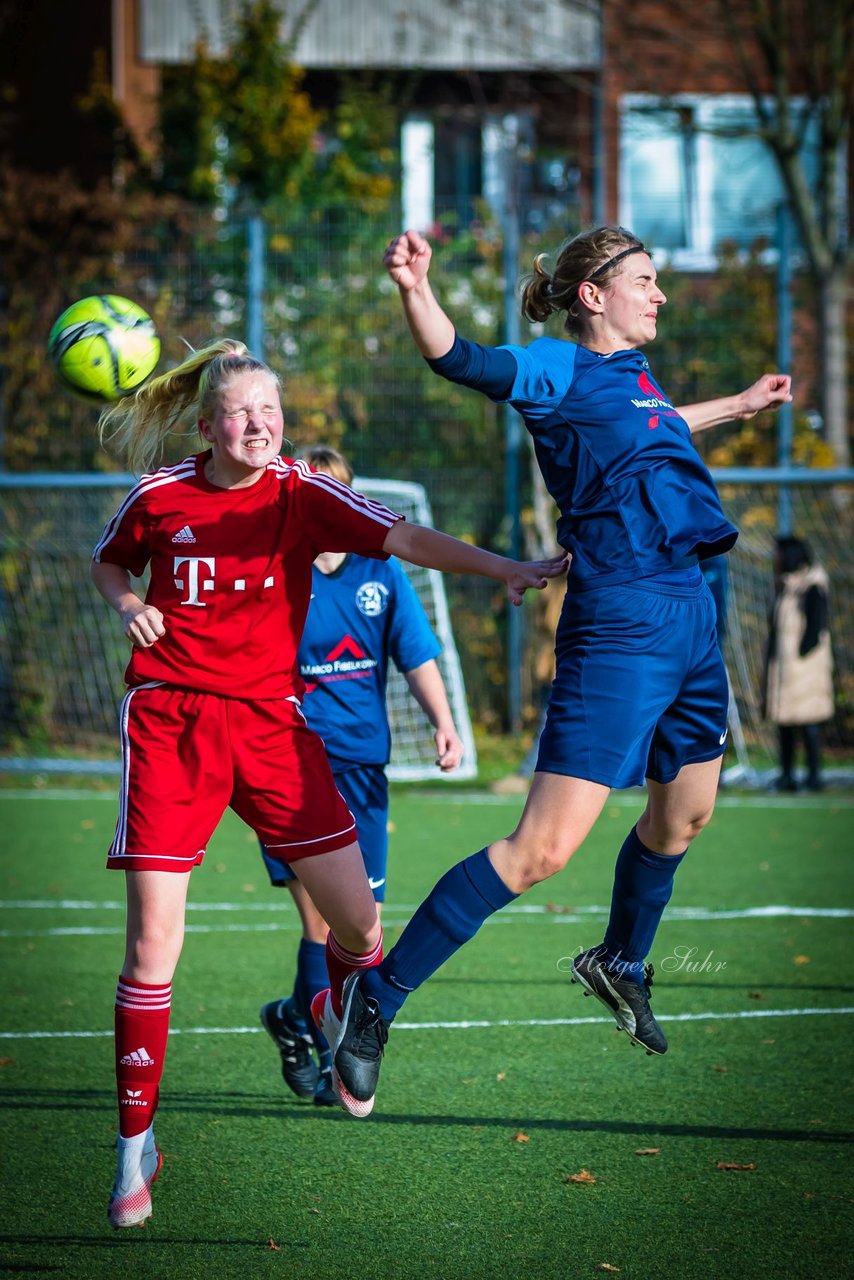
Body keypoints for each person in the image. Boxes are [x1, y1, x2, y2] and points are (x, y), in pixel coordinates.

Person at [309, 225, 793, 1117]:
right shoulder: (557, 370)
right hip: (619, 624)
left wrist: (737, 405)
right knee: (540, 852)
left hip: (689, 616)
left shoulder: (635, 383)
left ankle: (620, 960)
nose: (660, 295)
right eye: (645, 280)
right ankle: (374, 999)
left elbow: (656, 428)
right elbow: (463, 360)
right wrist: (417, 288)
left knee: (683, 819)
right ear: (593, 295)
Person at [91, 338, 567, 1227]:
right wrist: (127, 602)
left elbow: (406, 536)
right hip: (173, 721)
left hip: (274, 726)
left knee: (360, 923)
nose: (258, 424)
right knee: (154, 946)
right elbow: (111, 560)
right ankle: (132, 1149)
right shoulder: (160, 496)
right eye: (240, 412)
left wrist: (504, 566)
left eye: (270, 410)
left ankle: (340, 1004)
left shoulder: (302, 493)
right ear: (207, 426)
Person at [259, 444, 464, 1107]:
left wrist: (443, 720)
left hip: (363, 771)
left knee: (360, 926)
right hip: (287, 767)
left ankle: (294, 1017)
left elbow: (416, 653)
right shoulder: (276, 572)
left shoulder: (381, 572)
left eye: (337, 492)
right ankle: (331, 1064)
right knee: (319, 925)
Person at [762, 535, 833, 791]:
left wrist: (800, 653)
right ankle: (787, 776)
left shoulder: (813, 585)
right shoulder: (782, 586)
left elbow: (816, 628)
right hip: (784, 667)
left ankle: (814, 778)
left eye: (778, 553)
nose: (775, 559)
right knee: (785, 727)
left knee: (810, 725)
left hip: (806, 668)